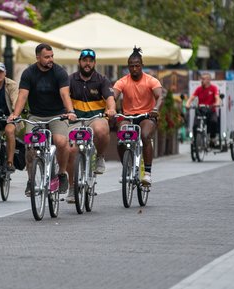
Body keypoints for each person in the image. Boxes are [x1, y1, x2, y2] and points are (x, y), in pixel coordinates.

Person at [7, 43, 77, 196]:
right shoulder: (29, 73)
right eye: (47, 57)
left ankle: (62, 174)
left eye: (52, 56)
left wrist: (70, 111)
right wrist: (15, 114)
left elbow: (65, 95)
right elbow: (23, 96)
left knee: (60, 141)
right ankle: (31, 181)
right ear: (38, 57)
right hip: (36, 116)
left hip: (57, 115)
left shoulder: (60, 72)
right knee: (30, 147)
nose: (50, 59)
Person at [65, 48, 116, 203]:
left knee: (101, 129)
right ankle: (72, 188)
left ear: (94, 63)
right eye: (84, 60)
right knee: (71, 149)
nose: (87, 64)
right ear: (79, 62)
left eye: (90, 61)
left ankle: (99, 156)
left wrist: (112, 109)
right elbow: (64, 96)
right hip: (75, 120)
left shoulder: (102, 80)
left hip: (96, 118)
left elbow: (110, 98)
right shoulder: (70, 79)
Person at [113, 46, 163, 186]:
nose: (134, 69)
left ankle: (147, 173)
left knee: (145, 136)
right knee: (121, 136)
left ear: (142, 66)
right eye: (131, 66)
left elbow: (160, 97)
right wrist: (110, 108)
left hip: (147, 115)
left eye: (137, 66)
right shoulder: (122, 81)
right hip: (128, 116)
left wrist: (156, 108)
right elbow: (113, 96)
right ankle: (126, 169)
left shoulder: (151, 80)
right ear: (128, 67)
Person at [185, 73, 220, 145]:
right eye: (202, 79)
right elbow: (191, 98)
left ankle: (212, 138)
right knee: (195, 125)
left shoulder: (213, 88)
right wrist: (187, 104)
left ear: (208, 80)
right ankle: (195, 140)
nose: (202, 80)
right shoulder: (199, 89)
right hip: (200, 110)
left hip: (210, 110)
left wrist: (217, 103)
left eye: (203, 79)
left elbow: (217, 98)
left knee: (214, 121)